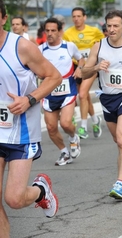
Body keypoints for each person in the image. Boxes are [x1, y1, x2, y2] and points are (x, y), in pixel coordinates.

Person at [0, 0, 62, 237]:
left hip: (21, 132)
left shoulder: (21, 47)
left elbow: (53, 76)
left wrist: (29, 99)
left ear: (4, 19)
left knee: (14, 199)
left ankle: (41, 191)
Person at [81, 9, 122, 201]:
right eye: (109, 25)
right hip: (107, 99)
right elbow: (83, 73)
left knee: (120, 139)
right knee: (119, 139)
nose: (111, 29)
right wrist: (95, 67)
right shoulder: (98, 47)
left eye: (116, 26)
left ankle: (119, 184)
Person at [39, 18, 84, 166]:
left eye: (53, 30)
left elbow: (81, 59)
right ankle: (64, 152)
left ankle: (73, 138)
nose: (50, 33)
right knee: (51, 127)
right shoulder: (40, 50)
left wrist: (79, 68)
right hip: (49, 93)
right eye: (48, 31)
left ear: (59, 32)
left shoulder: (69, 46)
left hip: (67, 91)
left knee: (65, 123)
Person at [63, 7, 104, 139]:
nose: (76, 19)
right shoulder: (67, 33)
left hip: (91, 68)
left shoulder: (94, 31)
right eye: (74, 16)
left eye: (79, 16)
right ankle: (95, 120)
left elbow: (103, 45)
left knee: (82, 94)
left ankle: (83, 127)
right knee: (84, 96)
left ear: (84, 17)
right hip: (76, 68)